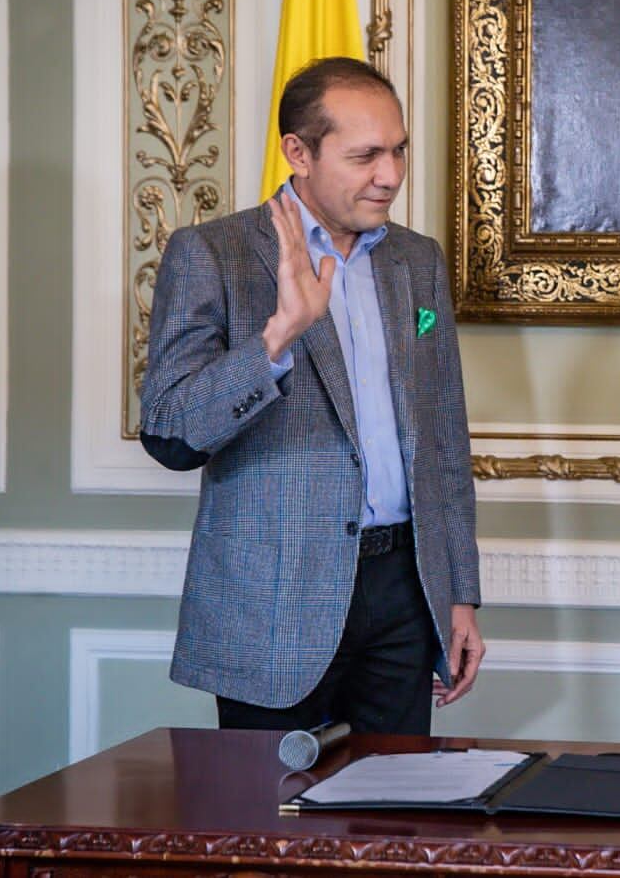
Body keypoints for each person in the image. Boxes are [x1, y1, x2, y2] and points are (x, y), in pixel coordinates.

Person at [140, 56, 484, 734]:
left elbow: (443, 438)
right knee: (270, 832)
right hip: (273, 604)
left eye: (398, 150)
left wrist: (460, 593)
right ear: (298, 152)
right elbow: (169, 430)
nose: (389, 175)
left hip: (404, 596)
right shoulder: (213, 254)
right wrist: (276, 339)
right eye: (365, 156)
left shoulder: (419, 261)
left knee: (392, 828)